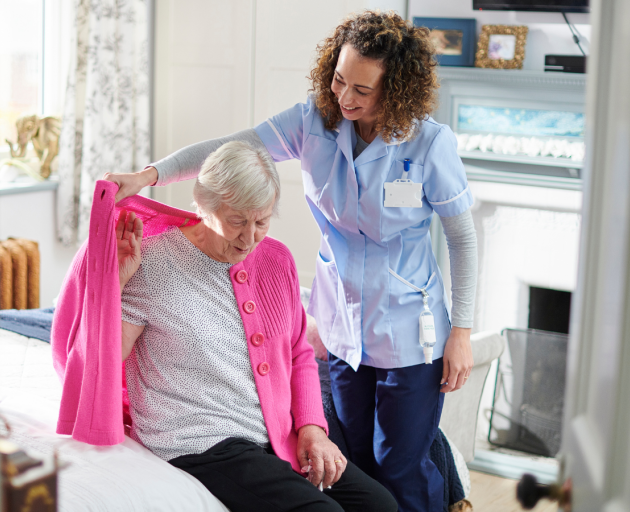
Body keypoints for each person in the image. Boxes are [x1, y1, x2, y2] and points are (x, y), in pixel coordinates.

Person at [105, 11, 477, 512]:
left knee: (401, 464)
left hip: (411, 327)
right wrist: (150, 175)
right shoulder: (314, 122)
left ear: (396, 91)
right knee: (359, 458)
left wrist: (463, 332)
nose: (345, 98)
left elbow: (463, 239)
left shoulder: (430, 145)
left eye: (362, 91)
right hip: (341, 322)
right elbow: (229, 149)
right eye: (339, 80)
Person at [115, 141, 397, 512]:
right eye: (236, 222)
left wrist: (312, 427)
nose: (249, 238)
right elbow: (101, 363)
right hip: (199, 441)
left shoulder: (277, 259)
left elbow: (299, 353)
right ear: (204, 203)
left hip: (270, 434)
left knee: (380, 505)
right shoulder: (151, 263)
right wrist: (115, 285)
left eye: (261, 221)